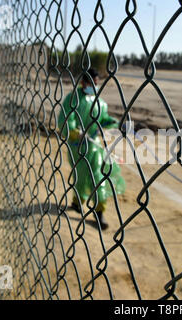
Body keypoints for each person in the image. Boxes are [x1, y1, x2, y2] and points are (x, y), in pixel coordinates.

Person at [58, 68, 125, 230]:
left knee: (98, 176)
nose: (94, 87)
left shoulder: (100, 102)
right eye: (92, 84)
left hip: (94, 146)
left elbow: (102, 119)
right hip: (77, 147)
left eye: (96, 84)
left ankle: (99, 213)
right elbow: (65, 119)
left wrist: (116, 123)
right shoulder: (73, 99)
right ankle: (77, 203)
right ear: (83, 83)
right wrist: (75, 132)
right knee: (80, 177)